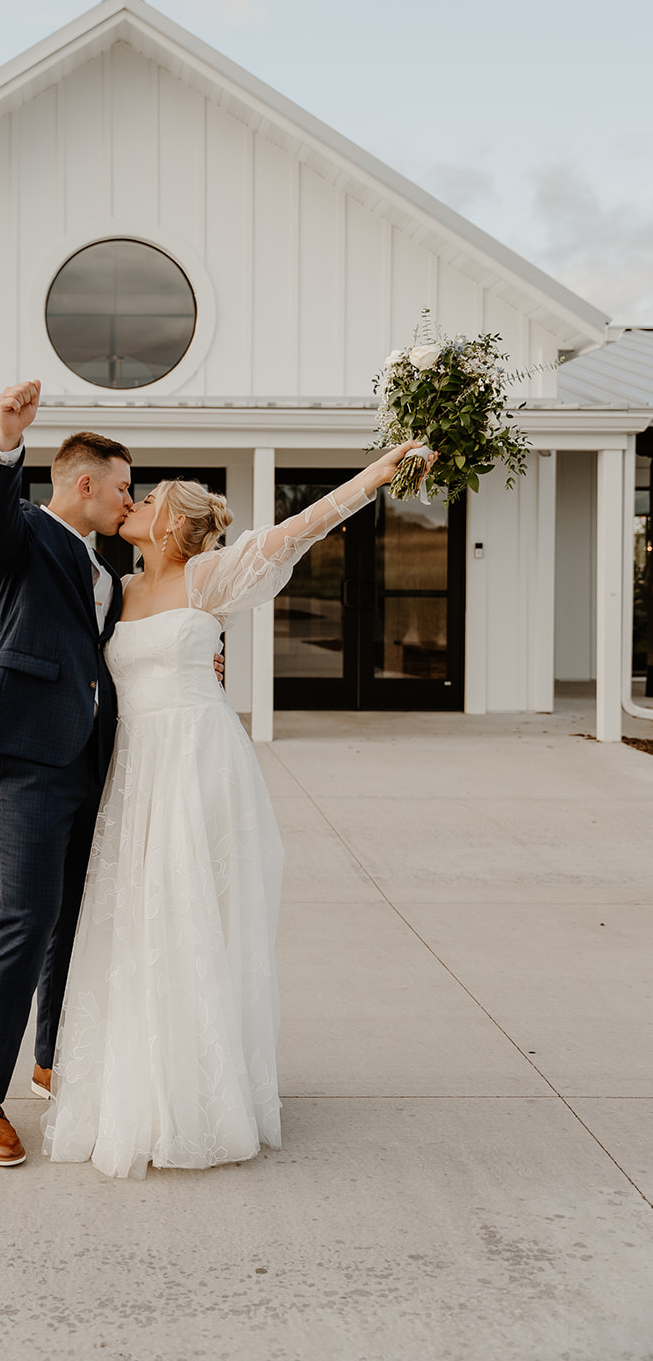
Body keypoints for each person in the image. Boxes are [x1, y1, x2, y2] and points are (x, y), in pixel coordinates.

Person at [43, 441, 423, 1179]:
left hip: (198, 761)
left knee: (193, 914)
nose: (133, 502)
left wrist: (375, 477)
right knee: (134, 916)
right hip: (137, 767)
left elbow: (302, 527)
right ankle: (138, 1084)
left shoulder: (209, 576)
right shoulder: (113, 591)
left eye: (146, 499)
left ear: (171, 524)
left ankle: (201, 1093)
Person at [0, 379, 227, 1167]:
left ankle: (51, 1060)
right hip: (28, 757)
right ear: (84, 483)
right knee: (26, 919)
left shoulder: (108, 570)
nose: (128, 500)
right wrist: (8, 438)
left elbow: (122, 646)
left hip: (98, 761)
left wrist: (197, 648)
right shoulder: (25, 535)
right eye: (122, 487)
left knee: (72, 920)